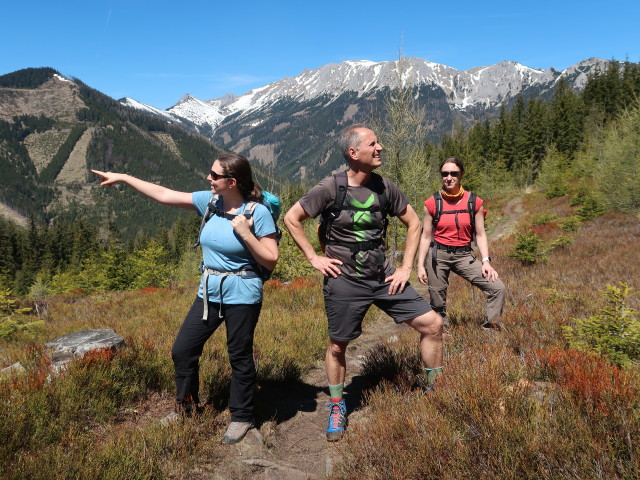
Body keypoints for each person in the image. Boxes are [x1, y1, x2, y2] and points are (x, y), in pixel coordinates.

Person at [92, 153, 278, 444]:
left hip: (242, 291)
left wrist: (245, 232)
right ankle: (186, 409)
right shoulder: (210, 202)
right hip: (210, 291)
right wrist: (124, 178)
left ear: (231, 182)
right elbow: (164, 195)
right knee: (183, 349)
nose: (208, 178)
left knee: (239, 355)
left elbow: (270, 260)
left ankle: (242, 416)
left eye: (214, 175)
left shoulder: (258, 213)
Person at [284, 125, 443, 442]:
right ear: (353, 153)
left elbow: (413, 223)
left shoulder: (386, 187)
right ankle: (336, 406)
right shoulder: (331, 188)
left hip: (383, 276)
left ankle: (436, 389)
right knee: (337, 345)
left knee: (433, 324)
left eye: (380, 142)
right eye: (373, 144)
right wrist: (315, 259)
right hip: (344, 279)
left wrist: (406, 267)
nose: (380, 147)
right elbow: (292, 218)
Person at [417, 157, 506, 330]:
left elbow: (480, 234)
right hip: (438, 255)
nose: (449, 177)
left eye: (453, 173)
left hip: (464, 255)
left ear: (461, 175)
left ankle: (491, 329)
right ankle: (442, 334)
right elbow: (425, 236)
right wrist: (420, 265)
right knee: (437, 301)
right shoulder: (432, 203)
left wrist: (486, 261)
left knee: (497, 288)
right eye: (445, 173)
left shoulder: (474, 202)